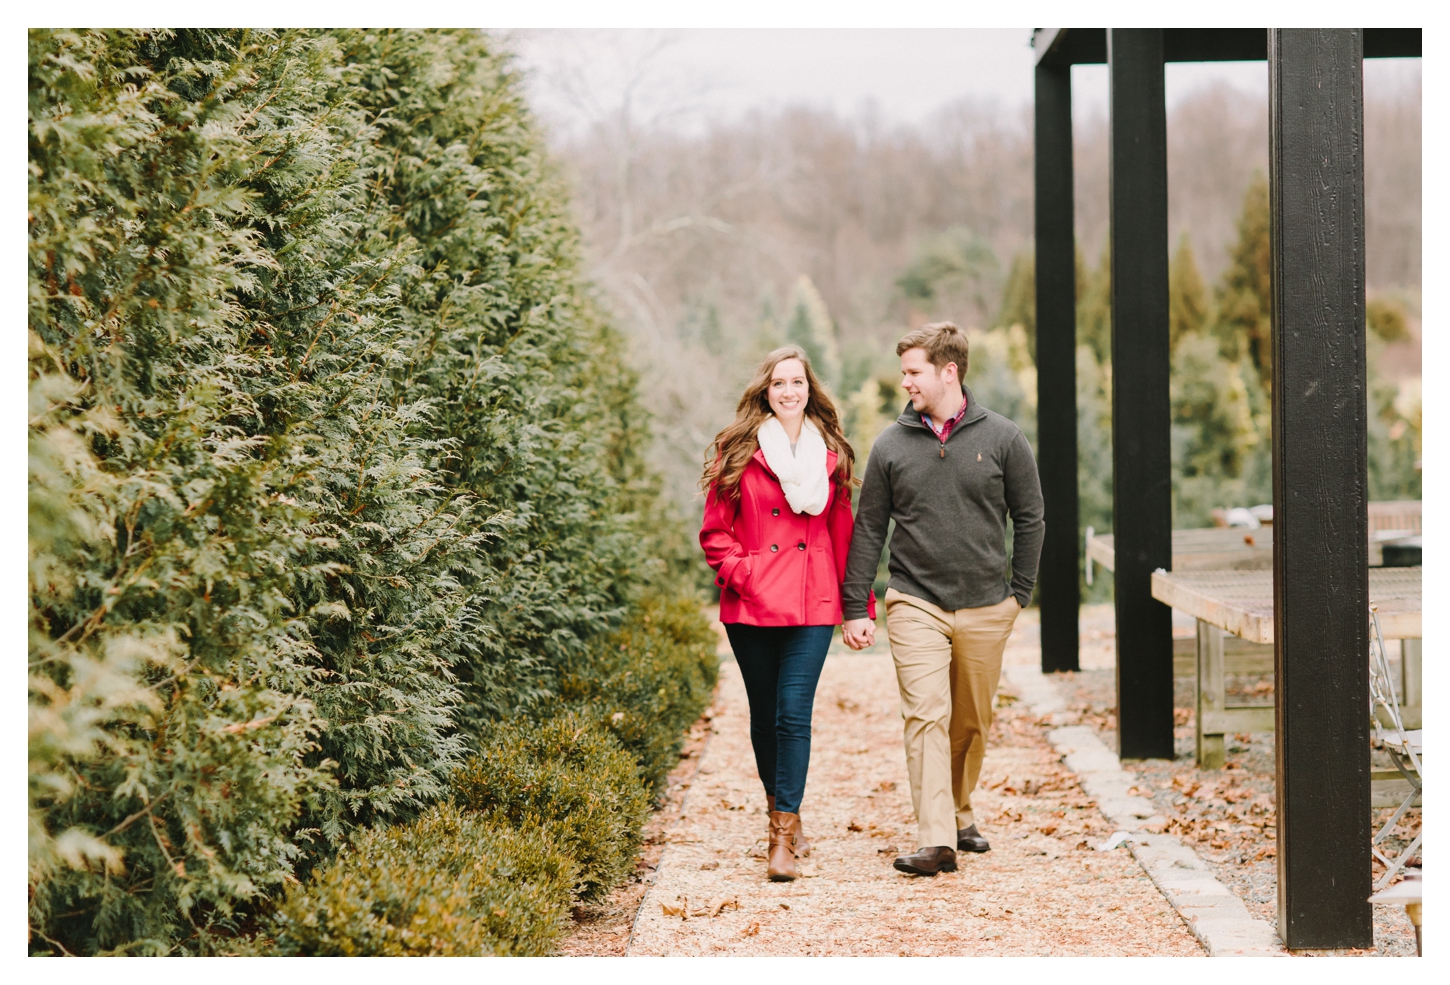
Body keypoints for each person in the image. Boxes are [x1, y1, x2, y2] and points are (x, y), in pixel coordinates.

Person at [841, 322, 1044, 876]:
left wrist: (1018, 595)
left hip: (986, 605)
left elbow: (1030, 518)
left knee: (971, 722)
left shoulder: (1003, 438)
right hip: (915, 601)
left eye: (913, 371)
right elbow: (869, 529)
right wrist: (855, 604)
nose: (904, 381)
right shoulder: (890, 445)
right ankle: (937, 839)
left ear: (947, 371)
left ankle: (958, 809)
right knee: (926, 716)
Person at [700, 345, 874, 882]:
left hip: (812, 598)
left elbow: (845, 537)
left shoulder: (832, 454)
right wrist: (745, 573)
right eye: (779, 383)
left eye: (797, 382)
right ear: (766, 392)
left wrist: (858, 607)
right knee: (764, 717)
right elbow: (714, 532)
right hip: (752, 603)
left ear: (809, 390)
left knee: (793, 712)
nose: (789, 391)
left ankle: (781, 833)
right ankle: (782, 809)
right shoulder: (737, 448)